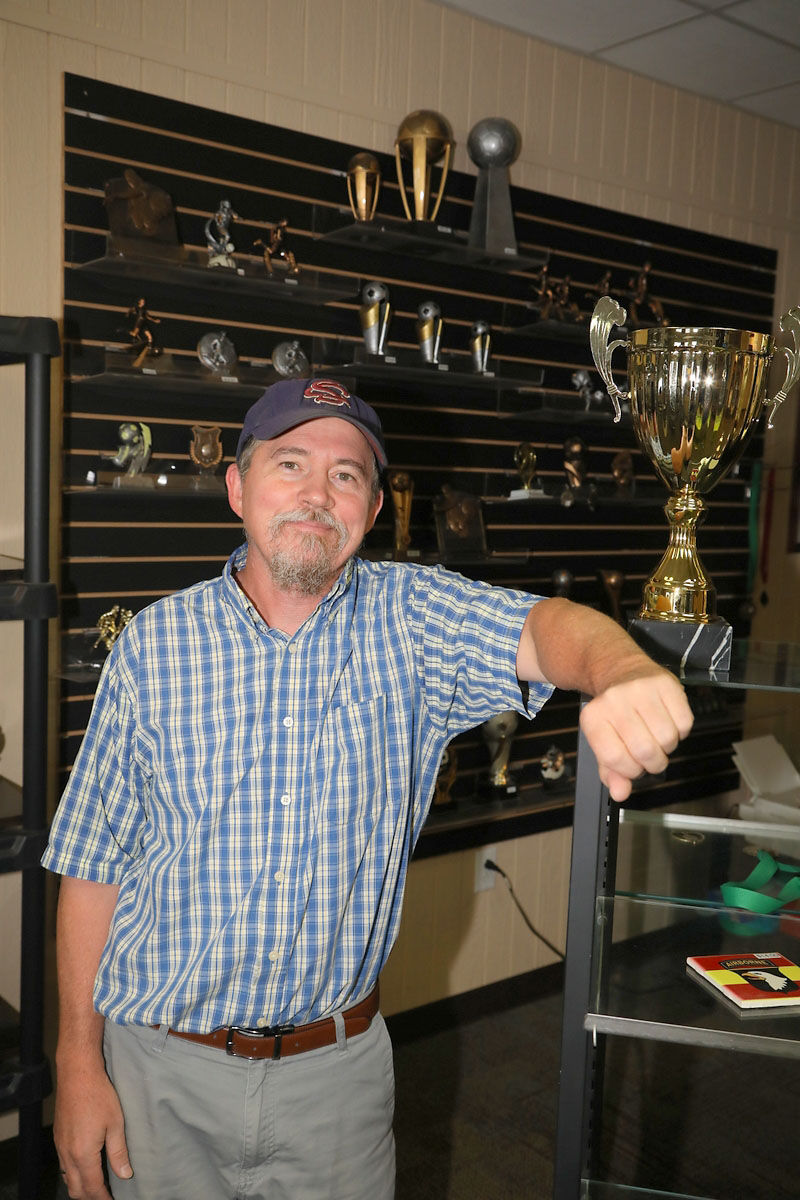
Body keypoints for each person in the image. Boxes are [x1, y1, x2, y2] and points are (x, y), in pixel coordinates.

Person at [43, 376, 694, 1200]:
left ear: (374, 507)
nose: (317, 493)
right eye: (290, 464)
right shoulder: (153, 647)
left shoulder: (414, 622)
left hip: (335, 1087)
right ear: (238, 487)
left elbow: (546, 628)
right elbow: (92, 866)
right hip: (156, 1074)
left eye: (345, 474)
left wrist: (624, 668)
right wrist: (76, 1060)